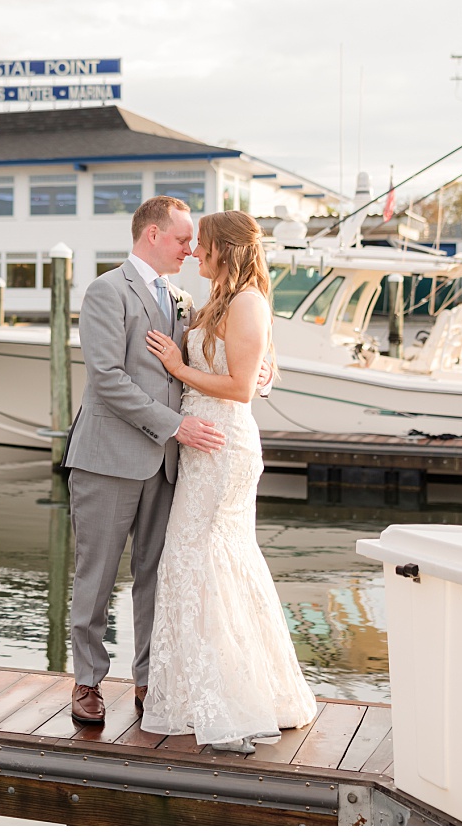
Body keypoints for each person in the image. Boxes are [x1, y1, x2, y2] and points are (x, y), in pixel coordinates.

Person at [60, 196, 268, 725]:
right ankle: (87, 682)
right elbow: (107, 379)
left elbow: (214, 359)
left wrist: (262, 376)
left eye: (194, 242)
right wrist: (175, 424)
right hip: (109, 458)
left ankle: (151, 679)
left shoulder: (181, 299)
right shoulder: (106, 291)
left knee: (157, 575)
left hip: (171, 465)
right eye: (181, 240)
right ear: (152, 235)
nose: (190, 249)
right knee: (97, 575)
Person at [139, 209, 318, 751]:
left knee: (206, 562)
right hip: (202, 445)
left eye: (204, 245)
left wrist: (177, 367)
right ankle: (216, 692)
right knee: (201, 565)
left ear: (227, 250)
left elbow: (240, 388)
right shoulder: (214, 302)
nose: (195, 252)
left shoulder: (246, 302)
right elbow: (256, 374)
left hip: (222, 447)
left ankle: (232, 704)